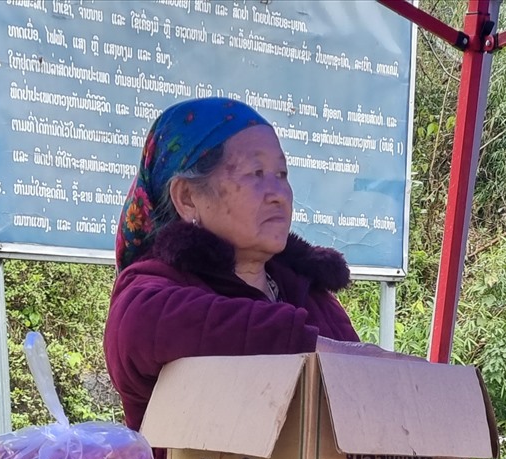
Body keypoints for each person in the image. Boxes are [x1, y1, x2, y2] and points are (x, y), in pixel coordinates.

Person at [104, 98, 362, 431]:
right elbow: (144, 325)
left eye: (281, 174)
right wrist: (310, 348)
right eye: (256, 173)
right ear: (187, 197)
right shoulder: (152, 292)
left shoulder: (310, 294)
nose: (278, 194)